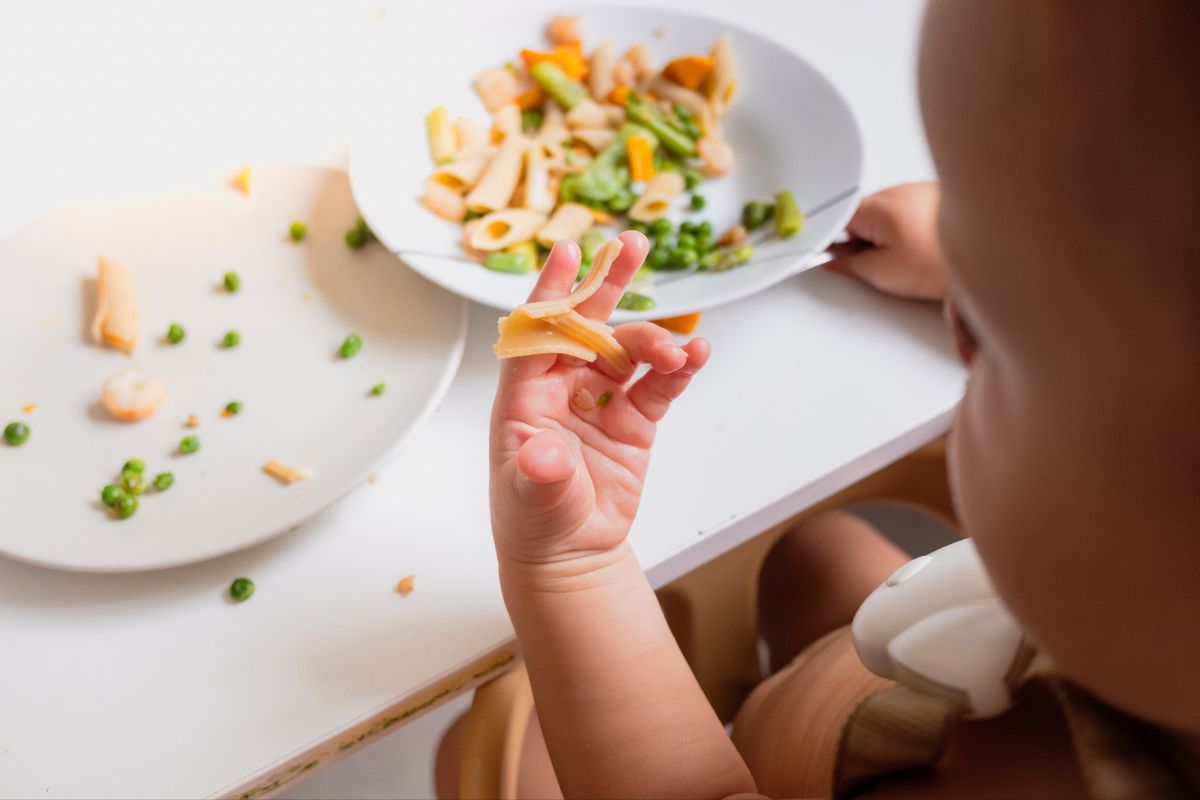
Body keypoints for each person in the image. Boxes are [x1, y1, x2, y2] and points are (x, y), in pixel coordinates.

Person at [442, 1, 1200, 796]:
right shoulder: (1142, 609)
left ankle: (741, 711)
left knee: (476, 752)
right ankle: (764, 689)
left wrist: (572, 570)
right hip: (899, 681)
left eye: (988, 334)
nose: (963, 334)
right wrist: (970, 245)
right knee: (820, 550)